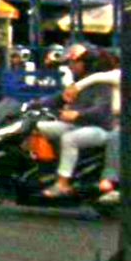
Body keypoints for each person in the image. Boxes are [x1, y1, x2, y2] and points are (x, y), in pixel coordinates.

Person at [38, 43, 114, 197]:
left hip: (101, 128)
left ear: (88, 64)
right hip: (78, 125)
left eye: (75, 63)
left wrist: (78, 115)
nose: (71, 66)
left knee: (70, 139)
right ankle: (42, 171)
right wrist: (31, 105)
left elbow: (101, 110)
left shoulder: (101, 84)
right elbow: (59, 98)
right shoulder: (79, 83)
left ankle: (62, 184)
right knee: (39, 126)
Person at [62, 52, 121, 202]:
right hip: (113, 120)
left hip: (124, 122)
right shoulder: (104, 83)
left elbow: (98, 77)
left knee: (115, 137)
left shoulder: (119, 75)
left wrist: (76, 86)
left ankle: (110, 179)